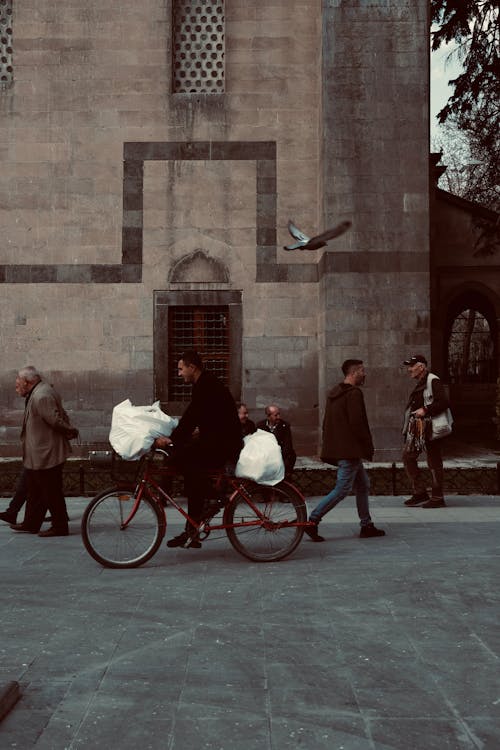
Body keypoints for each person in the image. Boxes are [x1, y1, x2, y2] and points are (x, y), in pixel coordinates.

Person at [155, 350, 243, 549]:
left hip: (224, 444)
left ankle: (215, 496)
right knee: (193, 478)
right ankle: (192, 531)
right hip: (217, 439)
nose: (179, 374)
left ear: (192, 367)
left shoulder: (206, 384)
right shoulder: (204, 383)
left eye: (180, 369)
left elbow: (192, 416)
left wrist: (172, 439)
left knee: (179, 459)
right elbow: (201, 416)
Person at [304, 359, 385, 542]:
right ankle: (312, 520)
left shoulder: (335, 393)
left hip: (343, 449)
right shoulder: (354, 393)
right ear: (353, 372)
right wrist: (367, 446)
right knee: (342, 490)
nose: (364, 374)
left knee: (363, 485)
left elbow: (326, 424)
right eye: (362, 370)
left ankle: (366, 525)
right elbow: (358, 423)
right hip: (350, 451)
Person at [10, 366, 78, 537]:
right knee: (35, 490)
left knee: (51, 491)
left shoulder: (41, 395)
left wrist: (70, 430)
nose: (17, 384)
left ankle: (60, 526)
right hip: (39, 453)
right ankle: (31, 523)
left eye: (19, 381)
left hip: (47, 453)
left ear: (29, 381)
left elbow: (54, 420)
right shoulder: (38, 392)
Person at [401, 354, 450, 508]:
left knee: (434, 461)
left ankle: (437, 497)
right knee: (408, 456)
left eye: (412, 366)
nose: (409, 370)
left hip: (431, 427)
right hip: (419, 428)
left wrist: (426, 409)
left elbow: (444, 402)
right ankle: (420, 492)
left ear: (421, 367)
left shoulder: (432, 380)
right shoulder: (422, 381)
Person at [257, 405, 296, 476]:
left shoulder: (285, 426)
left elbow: (287, 445)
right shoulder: (260, 426)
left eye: (279, 414)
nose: (279, 417)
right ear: (268, 416)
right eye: (276, 415)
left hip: (281, 456)